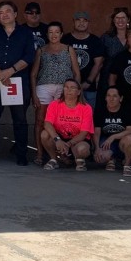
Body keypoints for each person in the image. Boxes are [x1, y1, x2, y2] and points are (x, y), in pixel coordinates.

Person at [0, 0, 35, 166]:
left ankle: (21, 155)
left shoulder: (25, 33)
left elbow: (29, 56)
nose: (4, 14)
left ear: (15, 14)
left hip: (17, 81)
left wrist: (10, 71)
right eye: (1, 12)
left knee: (19, 118)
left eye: (8, 11)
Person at [30, 22, 81, 164]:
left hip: (64, 88)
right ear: (47, 35)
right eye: (51, 32)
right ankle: (40, 154)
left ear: (61, 34)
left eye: (56, 32)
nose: (54, 35)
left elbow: (76, 72)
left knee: (61, 122)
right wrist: (34, 94)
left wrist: (77, 91)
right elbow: (33, 74)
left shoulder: (69, 49)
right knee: (40, 121)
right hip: (44, 87)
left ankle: (62, 153)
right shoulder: (41, 50)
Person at [41, 79, 94, 171]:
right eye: (66, 87)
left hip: (78, 140)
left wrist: (68, 144)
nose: (68, 90)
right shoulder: (54, 104)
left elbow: (84, 133)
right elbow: (47, 124)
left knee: (83, 149)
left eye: (72, 88)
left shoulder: (86, 108)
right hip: (60, 137)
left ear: (78, 92)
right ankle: (54, 159)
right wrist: (58, 140)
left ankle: (78, 159)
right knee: (44, 134)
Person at [62, 10, 106, 107]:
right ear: (73, 21)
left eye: (84, 20)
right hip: (67, 87)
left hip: (89, 88)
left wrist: (88, 82)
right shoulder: (65, 39)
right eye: (78, 20)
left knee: (88, 116)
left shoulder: (95, 41)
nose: (81, 23)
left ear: (88, 22)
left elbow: (98, 64)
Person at [94, 86, 131, 176]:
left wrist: (113, 137)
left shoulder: (127, 110)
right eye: (109, 96)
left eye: (114, 96)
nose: (111, 99)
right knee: (100, 158)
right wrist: (97, 148)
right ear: (105, 98)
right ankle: (111, 159)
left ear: (120, 98)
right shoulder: (100, 110)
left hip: (123, 141)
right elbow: (96, 132)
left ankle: (127, 165)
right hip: (106, 141)